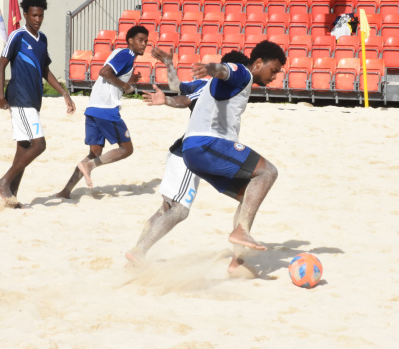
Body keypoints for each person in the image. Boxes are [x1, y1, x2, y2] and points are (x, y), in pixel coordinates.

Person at [126, 49, 250, 266]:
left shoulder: (220, 87)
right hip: (187, 155)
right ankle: (139, 252)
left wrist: (168, 63)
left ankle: (137, 253)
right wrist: (168, 101)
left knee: (166, 209)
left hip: (190, 151)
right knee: (180, 210)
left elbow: (176, 87)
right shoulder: (214, 85)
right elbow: (182, 98)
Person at [181, 40, 286, 273]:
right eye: (273, 70)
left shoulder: (233, 84)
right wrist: (212, 68)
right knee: (268, 172)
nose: (274, 77)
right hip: (206, 144)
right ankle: (242, 231)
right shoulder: (244, 73)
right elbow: (227, 70)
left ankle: (236, 263)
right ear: (258, 63)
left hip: (194, 152)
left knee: (248, 195)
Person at [0, 0, 76, 208]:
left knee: (23, 149)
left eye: (40, 15)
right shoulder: (17, 36)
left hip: (34, 99)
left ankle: (11, 196)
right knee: (39, 145)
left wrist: (64, 93)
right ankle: (3, 183)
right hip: (20, 98)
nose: (37, 19)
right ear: (25, 14)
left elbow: (45, 71)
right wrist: (1, 96)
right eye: (34, 15)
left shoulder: (43, 39)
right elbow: (1, 65)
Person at [56, 26, 148, 199]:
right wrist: (125, 86)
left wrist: (129, 79)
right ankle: (90, 166)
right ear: (130, 41)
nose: (144, 44)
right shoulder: (127, 54)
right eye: (140, 40)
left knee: (94, 153)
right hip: (106, 109)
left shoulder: (120, 53)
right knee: (126, 149)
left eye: (146, 41)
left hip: (93, 108)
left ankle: (66, 191)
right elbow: (104, 72)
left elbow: (111, 73)